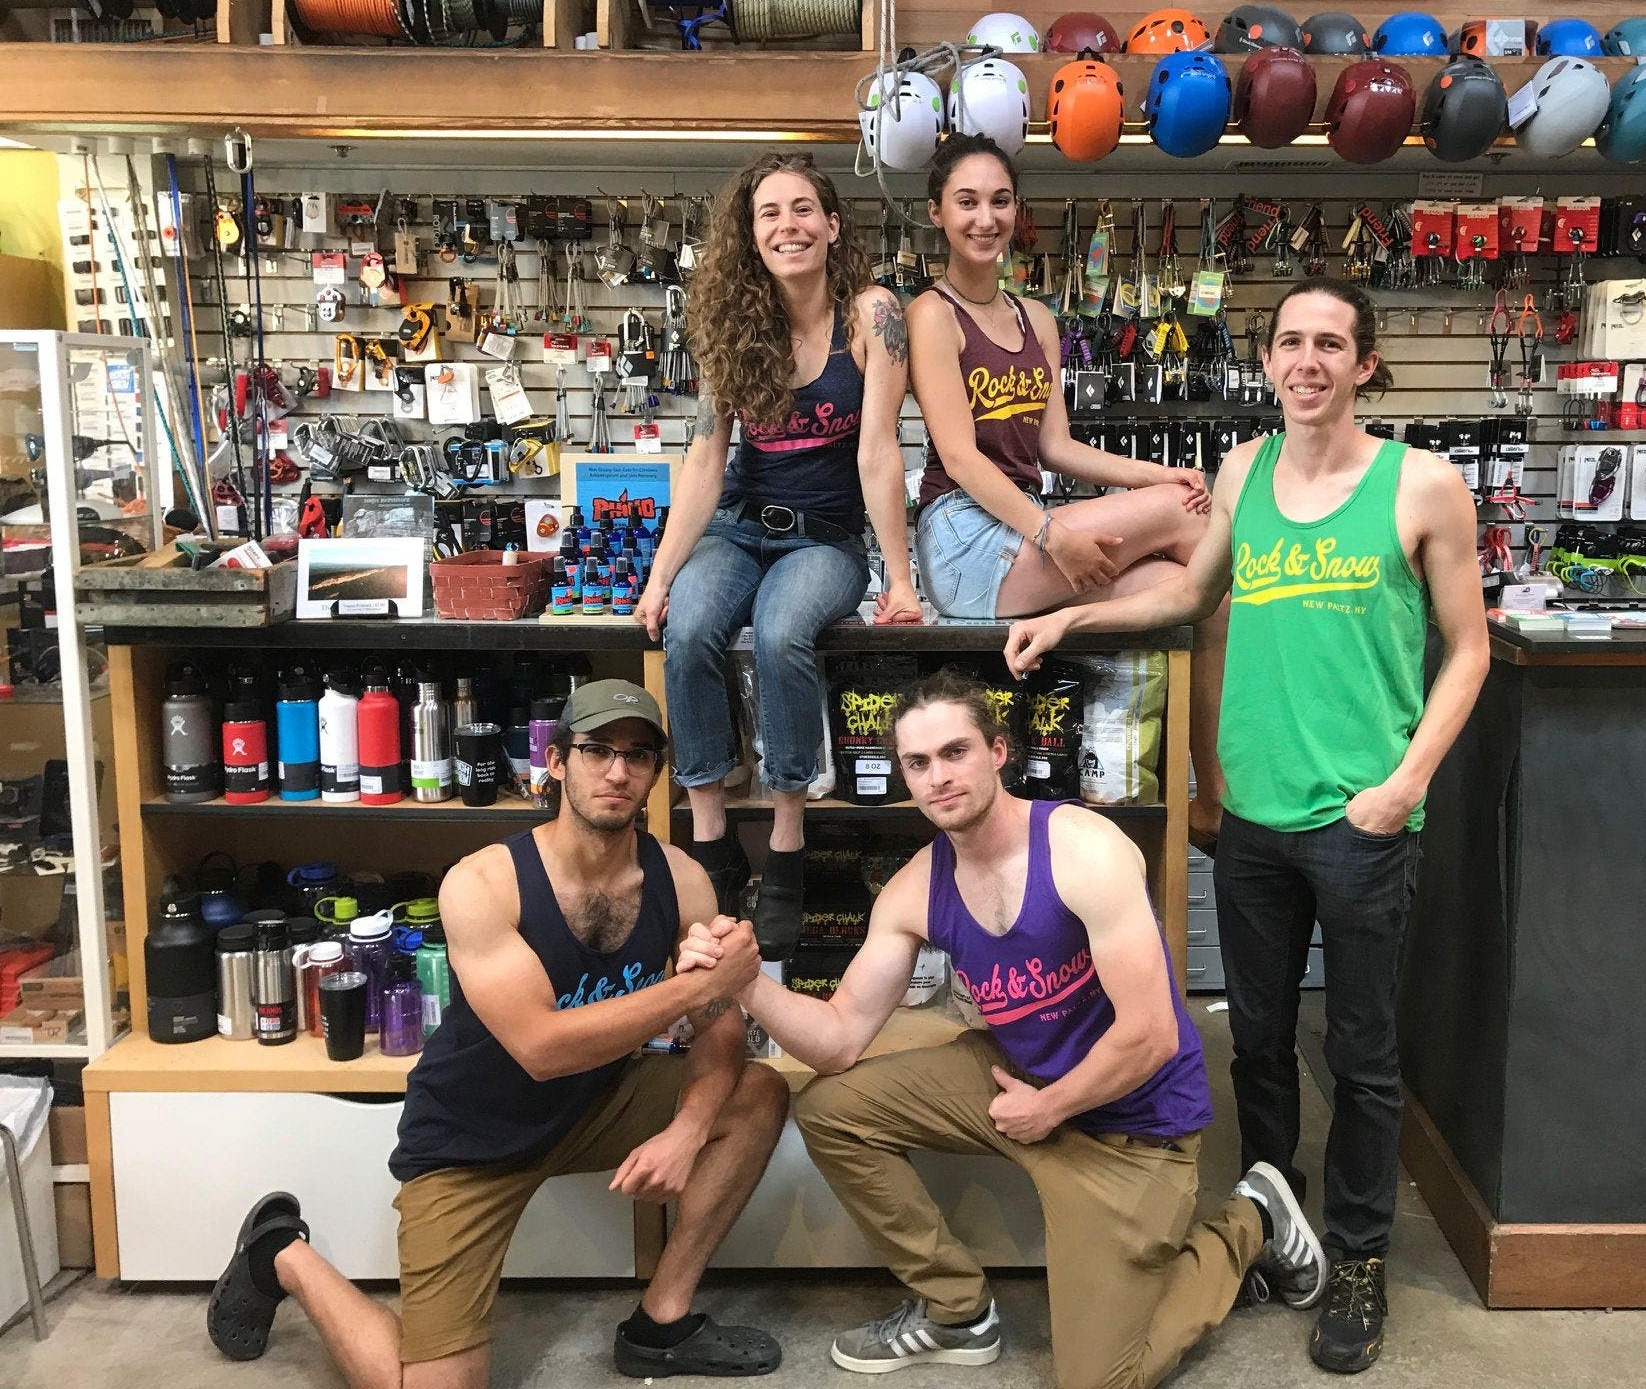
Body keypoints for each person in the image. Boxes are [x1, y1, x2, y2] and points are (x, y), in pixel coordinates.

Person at [1005, 278, 1490, 1375]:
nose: (1306, 361)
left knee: (1361, 1059)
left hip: (1362, 820)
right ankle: (1280, 1219)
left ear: (1364, 364)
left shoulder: (1422, 484)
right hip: (1253, 821)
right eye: (1289, 342)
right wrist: (1074, 613)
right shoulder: (1244, 470)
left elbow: (1468, 648)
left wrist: (1405, 783)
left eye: (1330, 343)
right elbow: (1190, 597)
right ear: (1268, 361)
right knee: (1259, 1046)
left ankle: (1361, 1257)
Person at [676, 668, 1328, 1389]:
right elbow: (838, 1038)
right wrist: (744, 986)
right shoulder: (918, 886)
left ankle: (1250, 1223)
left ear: (997, 751)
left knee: (1099, 1380)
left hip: (1132, 1129)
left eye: (955, 753)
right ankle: (956, 1310)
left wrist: (1046, 1109)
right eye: (918, 763)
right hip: (1017, 1083)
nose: (938, 778)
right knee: (833, 1107)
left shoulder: (1084, 848)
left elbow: (1151, 1037)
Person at [204, 679, 787, 1385]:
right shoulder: (482, 883)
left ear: (655, 774)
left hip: (595, 1104)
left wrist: (690, 1128)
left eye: (637, 756)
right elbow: (542, 1048)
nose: (617, 771)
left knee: (756, 1092)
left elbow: (719, 1026)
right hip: (470, 1139)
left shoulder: (682, 879)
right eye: (597, 750)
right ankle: (281, 1256)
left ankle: (661, 1322)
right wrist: (697, 986)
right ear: (557, 762)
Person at [635, 151, 920, 961]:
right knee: (687, 629)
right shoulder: (731, 322)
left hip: (825, 538)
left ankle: (788, 845)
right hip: (737, 527)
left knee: (782, 629)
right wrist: (659, 579)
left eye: (804, 210)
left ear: (833, 226)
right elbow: (702, 461)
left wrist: (900, 580)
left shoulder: (873, 316)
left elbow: (877, 455)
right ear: (750, 234)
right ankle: (715, 842)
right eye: (769, 213)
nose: (788, 225)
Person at [907, 133, 1228, 851]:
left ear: (1016, 210)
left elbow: (1055, 448)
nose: (985, 218)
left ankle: (1205, 794)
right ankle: (1227, 778)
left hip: (1020, 530)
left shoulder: (1035, 319)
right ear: (937, 213)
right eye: (966, 202)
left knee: (1193, 584)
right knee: (1191, 524)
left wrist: (1160, 473)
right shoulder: (932, 313)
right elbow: (959, 457)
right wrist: (1057, 536)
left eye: (999, 201)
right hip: (965, 538)